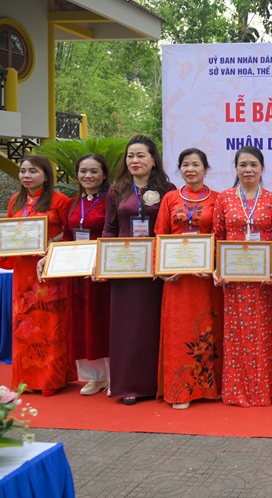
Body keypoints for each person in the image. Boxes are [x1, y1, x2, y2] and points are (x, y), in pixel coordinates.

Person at [102, 134, 175, 405]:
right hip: (124, 270)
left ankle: (155, 383)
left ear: (154, 159)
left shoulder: (168, 189)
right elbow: (109, 228)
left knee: (152, 325)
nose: (135, 160)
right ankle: (126, 385)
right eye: (131, 155)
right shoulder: (117, 189)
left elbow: (170, 229)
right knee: (127, 327)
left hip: (155, 270)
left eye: (141, 155)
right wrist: (105, 259)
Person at [213, 145, 272, 407]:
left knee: (266, 332)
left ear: (262, 169)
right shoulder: (224, 199)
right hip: (235, 281)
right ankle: (238, 390)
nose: (248, 169)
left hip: (266, 282)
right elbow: (218, 237)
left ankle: (268, 389)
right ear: (236, 168)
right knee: (238, 336)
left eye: (253, 165)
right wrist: (218, 269)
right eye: (243, 165)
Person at [154, 148, 223, 410]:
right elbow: (159, 234)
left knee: (207, 330)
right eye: (185, 165)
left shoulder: (218, 199)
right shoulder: (170, 198)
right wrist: (161, 270)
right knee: (180, 330)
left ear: (206, 169)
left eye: (196, 164)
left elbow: (221, 236)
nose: (190, 169)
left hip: (204, 279)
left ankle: (209, 387)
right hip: (177, 279)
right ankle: (180, 390)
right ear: (179, 170)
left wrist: (212, 265)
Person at [2, 155, 72, 395]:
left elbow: (70, 231)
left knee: (49, 322)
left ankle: (50, 380)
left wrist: (52, 241)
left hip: (48, 269)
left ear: (45, 174)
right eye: (23, 171)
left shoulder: (60, 200)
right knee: (24, 323)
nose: (26, 176)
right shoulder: (15, 201)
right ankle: (27, 380)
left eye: (32, 171)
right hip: (23, 269)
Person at [64, 154, 112, 396]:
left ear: (104, 174)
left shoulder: (110, 201)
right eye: (83, 171)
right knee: (82, 323)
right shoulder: (72, 204)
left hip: (102, 272)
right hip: (77, 273)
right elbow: (65, 237)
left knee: (105, 321)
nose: (88, 176)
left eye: (94, 171)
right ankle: (94, 377)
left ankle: (115, 375)